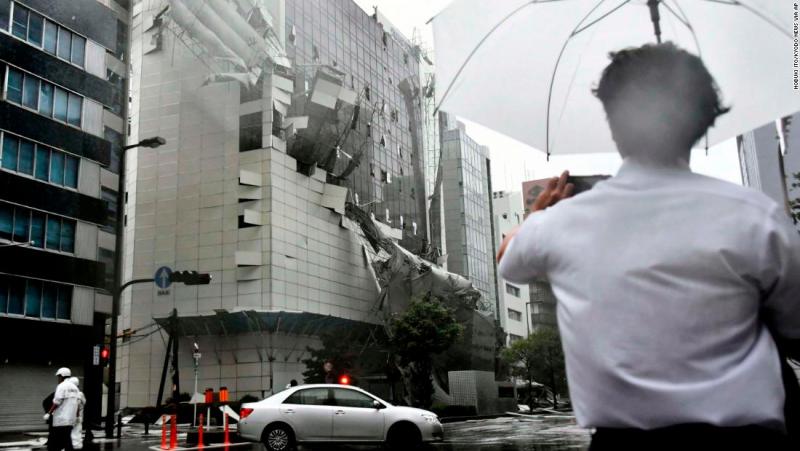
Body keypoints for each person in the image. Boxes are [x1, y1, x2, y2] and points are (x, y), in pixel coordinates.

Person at [497, 42, 800, 450]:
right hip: (748, 438)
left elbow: (507, 259)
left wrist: (537, 216)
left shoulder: (561, 222)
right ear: (703, 119)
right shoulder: (756, 217)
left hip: (622, 443)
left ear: (613, 120)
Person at [44, 368, 80, 451]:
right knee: (67, 441)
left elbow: (57, 402)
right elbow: (77, 403)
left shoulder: (61, 386)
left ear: (61, 376)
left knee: (54, 444)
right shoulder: (75, 388)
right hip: (70, 420)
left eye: (58, 377)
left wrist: (49, 413)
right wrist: (77, 416)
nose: (58, 379)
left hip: (61, 420)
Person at [68, 377, 86, 450]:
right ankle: (77, 445)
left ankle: (74, 446)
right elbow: (84, 402)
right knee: (77, 432)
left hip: (73, 416)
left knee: (72, 432)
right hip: (78, 417)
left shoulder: (72, 394)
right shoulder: (80, 394)